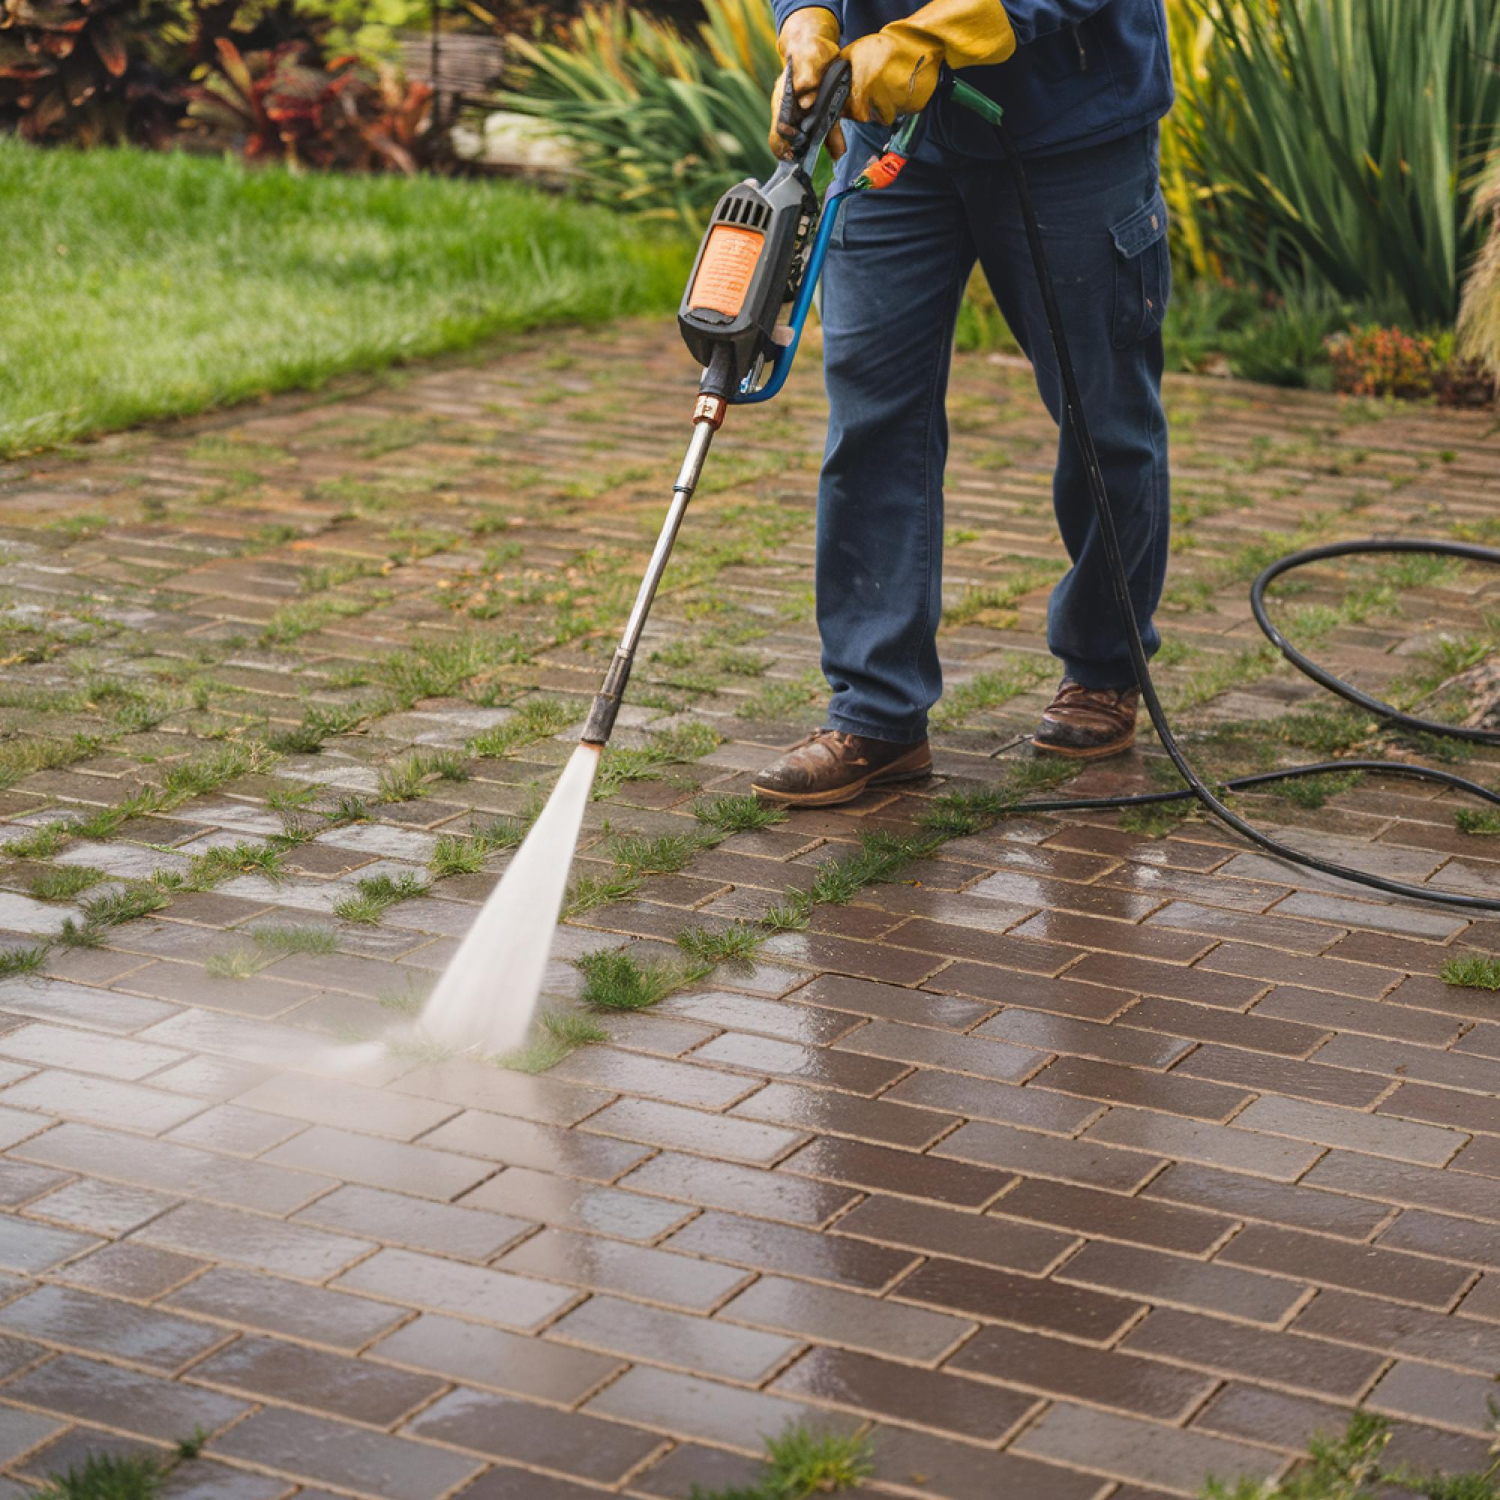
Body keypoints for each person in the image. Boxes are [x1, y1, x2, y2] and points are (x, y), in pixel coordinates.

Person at [750, 0, 1174, 807]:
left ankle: (1104, 666)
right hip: (894, 143)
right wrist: (804, 20)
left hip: (1071, 130)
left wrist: (936, 33)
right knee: (873, 420)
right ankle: (876, 714)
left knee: (1103, 419)